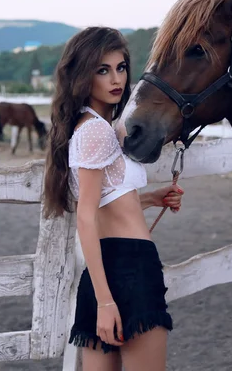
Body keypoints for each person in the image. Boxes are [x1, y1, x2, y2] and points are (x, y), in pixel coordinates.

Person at [42, 26, 184, 371]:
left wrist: (150, 198)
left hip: (102, 272)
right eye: (102, 70)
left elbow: (108, 198)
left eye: (120, 68)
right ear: (81, 76)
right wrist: (107, 303)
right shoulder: (95, 131)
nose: (115, 78)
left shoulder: (94, 126)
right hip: (130, 269)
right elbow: (86, 216)